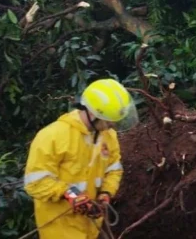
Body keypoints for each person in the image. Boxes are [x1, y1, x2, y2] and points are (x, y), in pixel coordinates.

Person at [23, 78, 137, 239]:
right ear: (93, 113)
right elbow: (35, 182)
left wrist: (106, 193)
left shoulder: (108, 136)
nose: (112, 126)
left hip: (90, 225)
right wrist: (70, 195)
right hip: (60, 227)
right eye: (109, 121)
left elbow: (114, 169)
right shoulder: (53, 136)